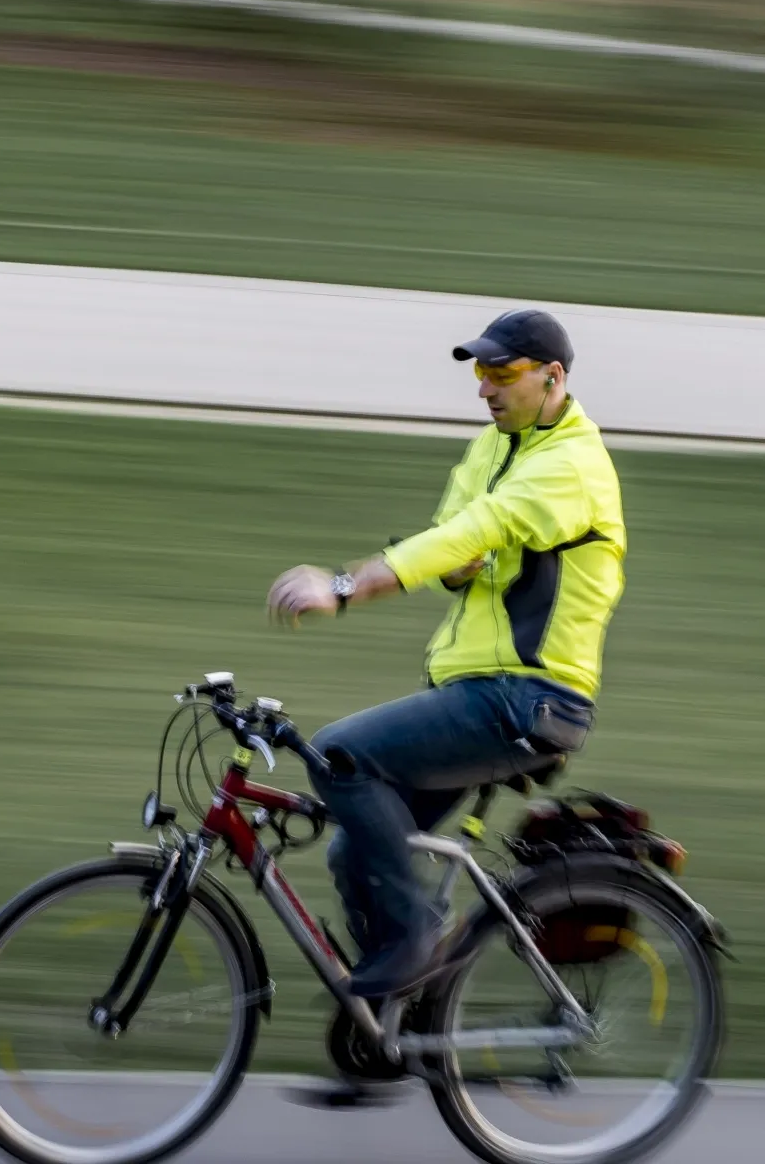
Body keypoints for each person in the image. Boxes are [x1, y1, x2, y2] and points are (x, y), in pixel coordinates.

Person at [267, 308, 626, 1000]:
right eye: (480, 373)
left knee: (340, 755)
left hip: (527, 697)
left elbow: (474, 529)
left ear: (552, 378)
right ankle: (400, 1020)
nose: (485, 388)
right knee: (354, 851)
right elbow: (454, 543)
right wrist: (458, 566)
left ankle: (413, 944)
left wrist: (342, 587)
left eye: (502, 374)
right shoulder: (493, 448)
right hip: (477, 692)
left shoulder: (573, 465)